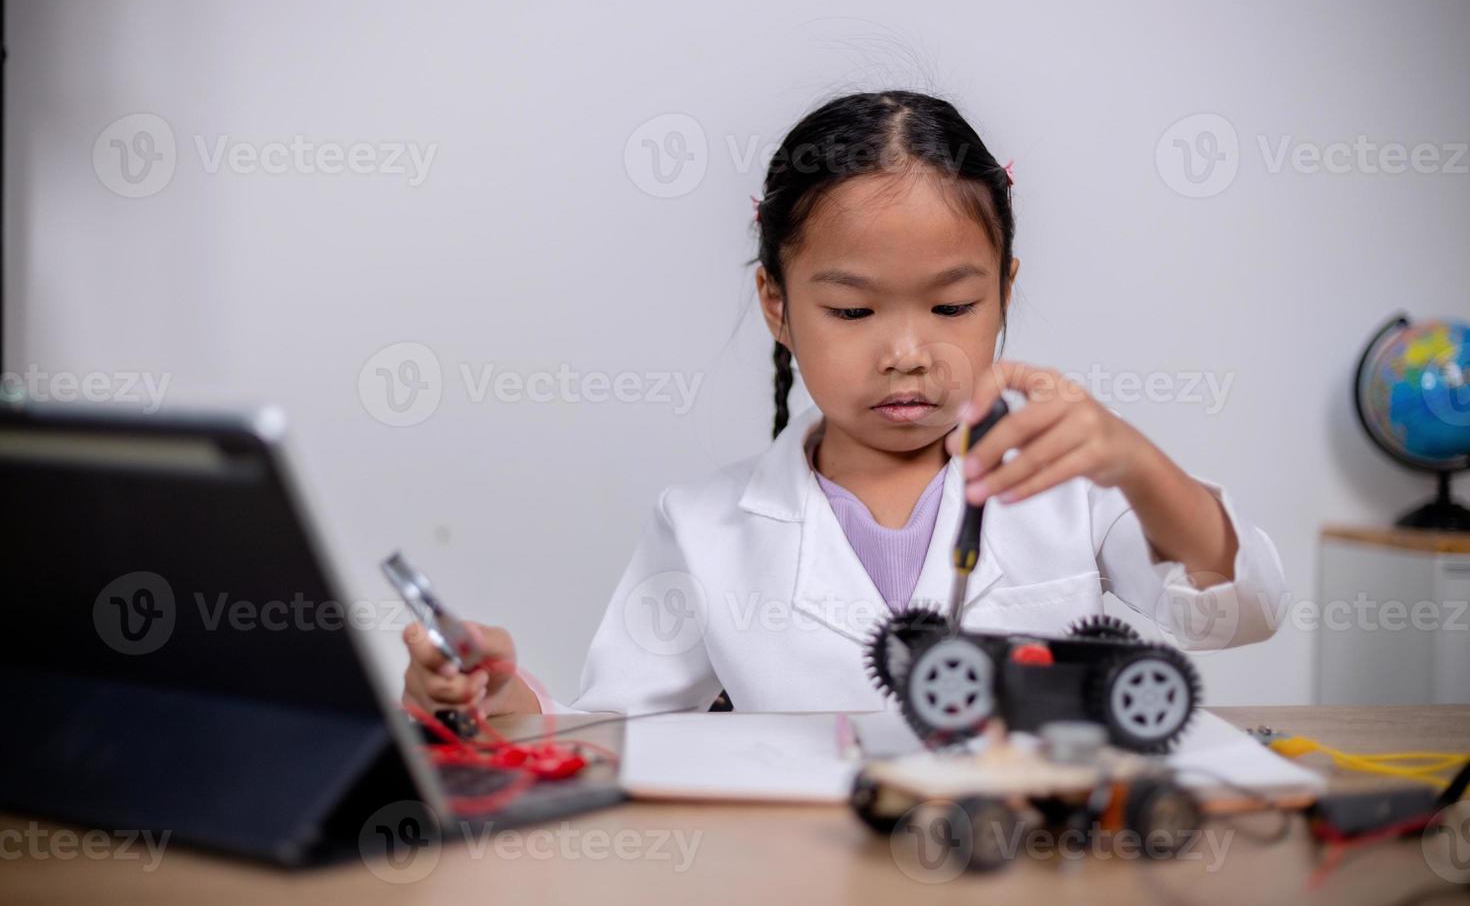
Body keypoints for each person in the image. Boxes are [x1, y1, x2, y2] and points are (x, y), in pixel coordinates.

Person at [402, 90, 1286, 719]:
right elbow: (616, 732)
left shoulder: (1074, 488)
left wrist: (1137, 463)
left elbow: (1239, 608)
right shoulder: (703, 525)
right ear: (777, 305)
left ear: (1005, 290)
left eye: (952, 306)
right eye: (854, 312)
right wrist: (495, 703)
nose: (907, 353)